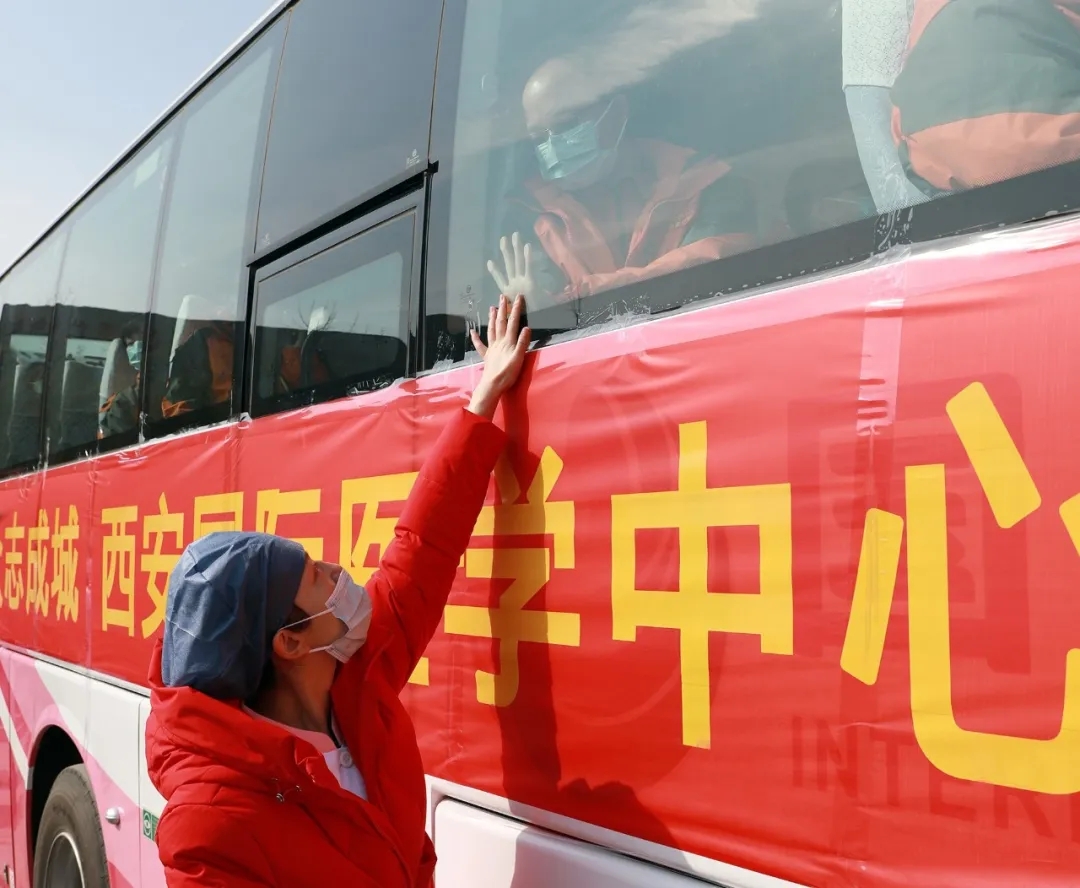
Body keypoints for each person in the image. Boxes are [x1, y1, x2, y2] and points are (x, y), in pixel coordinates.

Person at [145, 294, 531, 887]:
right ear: (291, 643)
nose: (337, 572)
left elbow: (422, 549)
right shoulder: (210, 825)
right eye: (314, 576)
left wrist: (482, 400)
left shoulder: (356, 681)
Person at [487, 57, 755, 306]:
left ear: (616, 113)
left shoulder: (706, 184)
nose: (553, 145)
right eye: (538, 138)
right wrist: (532, 314)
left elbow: (711, 273)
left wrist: (568, 303)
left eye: (566, 124)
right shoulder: (525, 221)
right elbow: (530, 308)